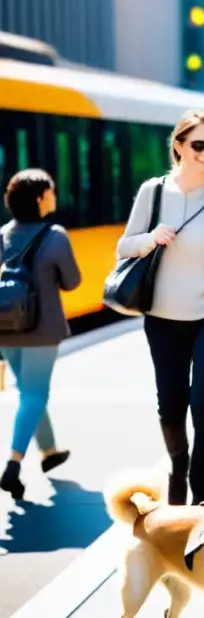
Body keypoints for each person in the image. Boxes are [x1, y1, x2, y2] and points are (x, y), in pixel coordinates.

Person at [115, 110, 204, 507]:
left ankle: (203, 497)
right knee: (171, 405)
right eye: (198, 145)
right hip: (162, 319)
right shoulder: (154, 192)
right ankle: (178, 465)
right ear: (178, 146)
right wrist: (150, 238)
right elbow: (124, 247)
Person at [0, 169, 82, 499]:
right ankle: (13, 465)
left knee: (30, 392)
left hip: (5, 330)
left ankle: (49, 453)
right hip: (41, 332)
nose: (55, 197)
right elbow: (72, 281)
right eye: (51, 191)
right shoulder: (56, 236)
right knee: (34, 395)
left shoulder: (3, 234)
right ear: (39, 198)